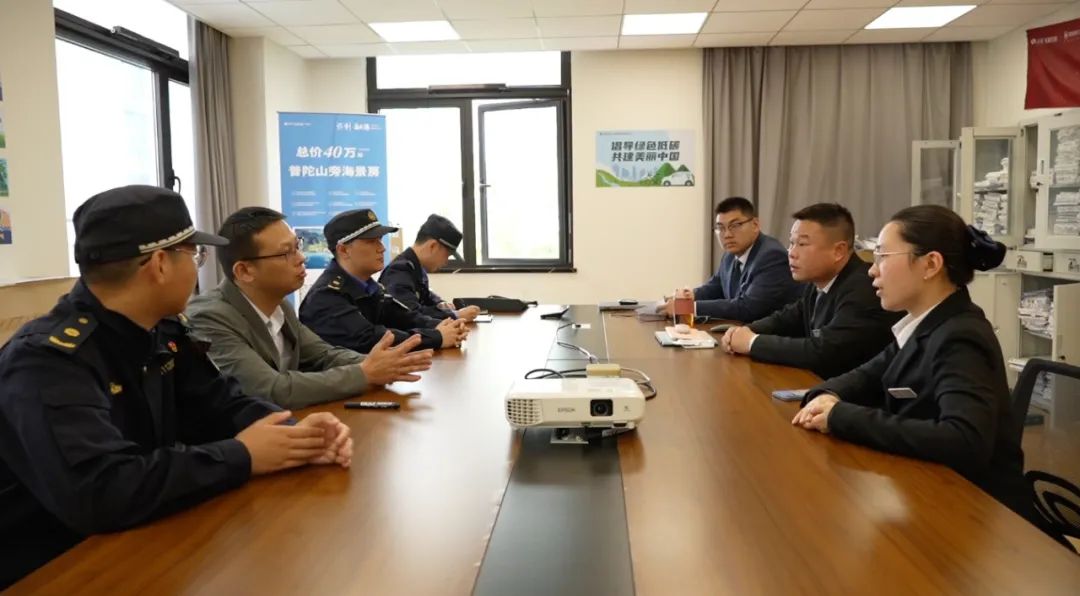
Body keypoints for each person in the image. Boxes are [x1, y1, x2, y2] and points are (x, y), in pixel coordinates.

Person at [0, 186, 352, 588]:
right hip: (53, 568)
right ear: (160, 264)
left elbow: (221, 404)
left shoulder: (161, 331)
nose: (199, 267)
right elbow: (102, 490)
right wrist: (242, 455)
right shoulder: (49, 361)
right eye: (194, 254)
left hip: (146, 541)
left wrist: (295, 434)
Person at [791, 205, 1071, 549]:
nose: (872, 270)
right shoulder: (923, 324)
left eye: (883, 256)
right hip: (933, 489)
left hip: (981, 517)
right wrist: (825, 395)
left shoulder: (960, 336)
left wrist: (841, 416)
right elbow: (864, 376)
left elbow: (964, 440)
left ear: (930, 264)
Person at [186, 207, 434, 410]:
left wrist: (382, 364)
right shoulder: (211, 317)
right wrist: (365, 373)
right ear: (244, 271)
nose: (301, 258)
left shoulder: (280, 306)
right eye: (286, 252)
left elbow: (324, 355)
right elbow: (271, 389)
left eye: (298, 246)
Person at [721, 203, 900, 379]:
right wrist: (744, 331)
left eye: (802, 244)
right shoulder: (819, 282)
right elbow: (786, 319)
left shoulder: (864, 289)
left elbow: (823, 351)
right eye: (791, 243)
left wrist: (752, 342)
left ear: (838, 251)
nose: (791, 253)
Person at [300, 209, 468, 354]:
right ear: (344, 250)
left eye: (380, 240)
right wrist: (436, 337)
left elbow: (404, 317)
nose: (382, 248)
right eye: (372, 241)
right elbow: (371, 339)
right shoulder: (326, 297)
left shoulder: (369, 287)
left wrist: (443, 325)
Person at [663, 197, 801, 321]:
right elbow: (716, 287)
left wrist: (688, 308)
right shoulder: (730, 255)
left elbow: (748, 307)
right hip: (739, 331)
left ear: (755, 225)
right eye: (720, 228)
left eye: (735, 226)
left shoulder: (772, 256)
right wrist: (687, 297)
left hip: (769, 335)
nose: (727, 235)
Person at [379, 214, 480, 321]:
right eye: (446, 255)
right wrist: (455, 315)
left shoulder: (416, 268)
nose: (446, 262)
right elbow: (410, 315)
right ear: (433, 246)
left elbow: (427, 296)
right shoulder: (399, 271)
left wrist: (440, 304)